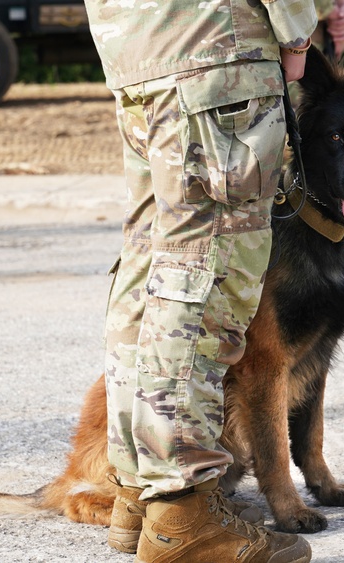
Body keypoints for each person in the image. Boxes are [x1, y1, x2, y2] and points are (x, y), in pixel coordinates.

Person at [81, 2, 317, 562]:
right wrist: (296, 34)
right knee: (205, 272)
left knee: (148, 266)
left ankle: (137, 494)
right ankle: (182, 511)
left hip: (136, 45)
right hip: (217, 48)